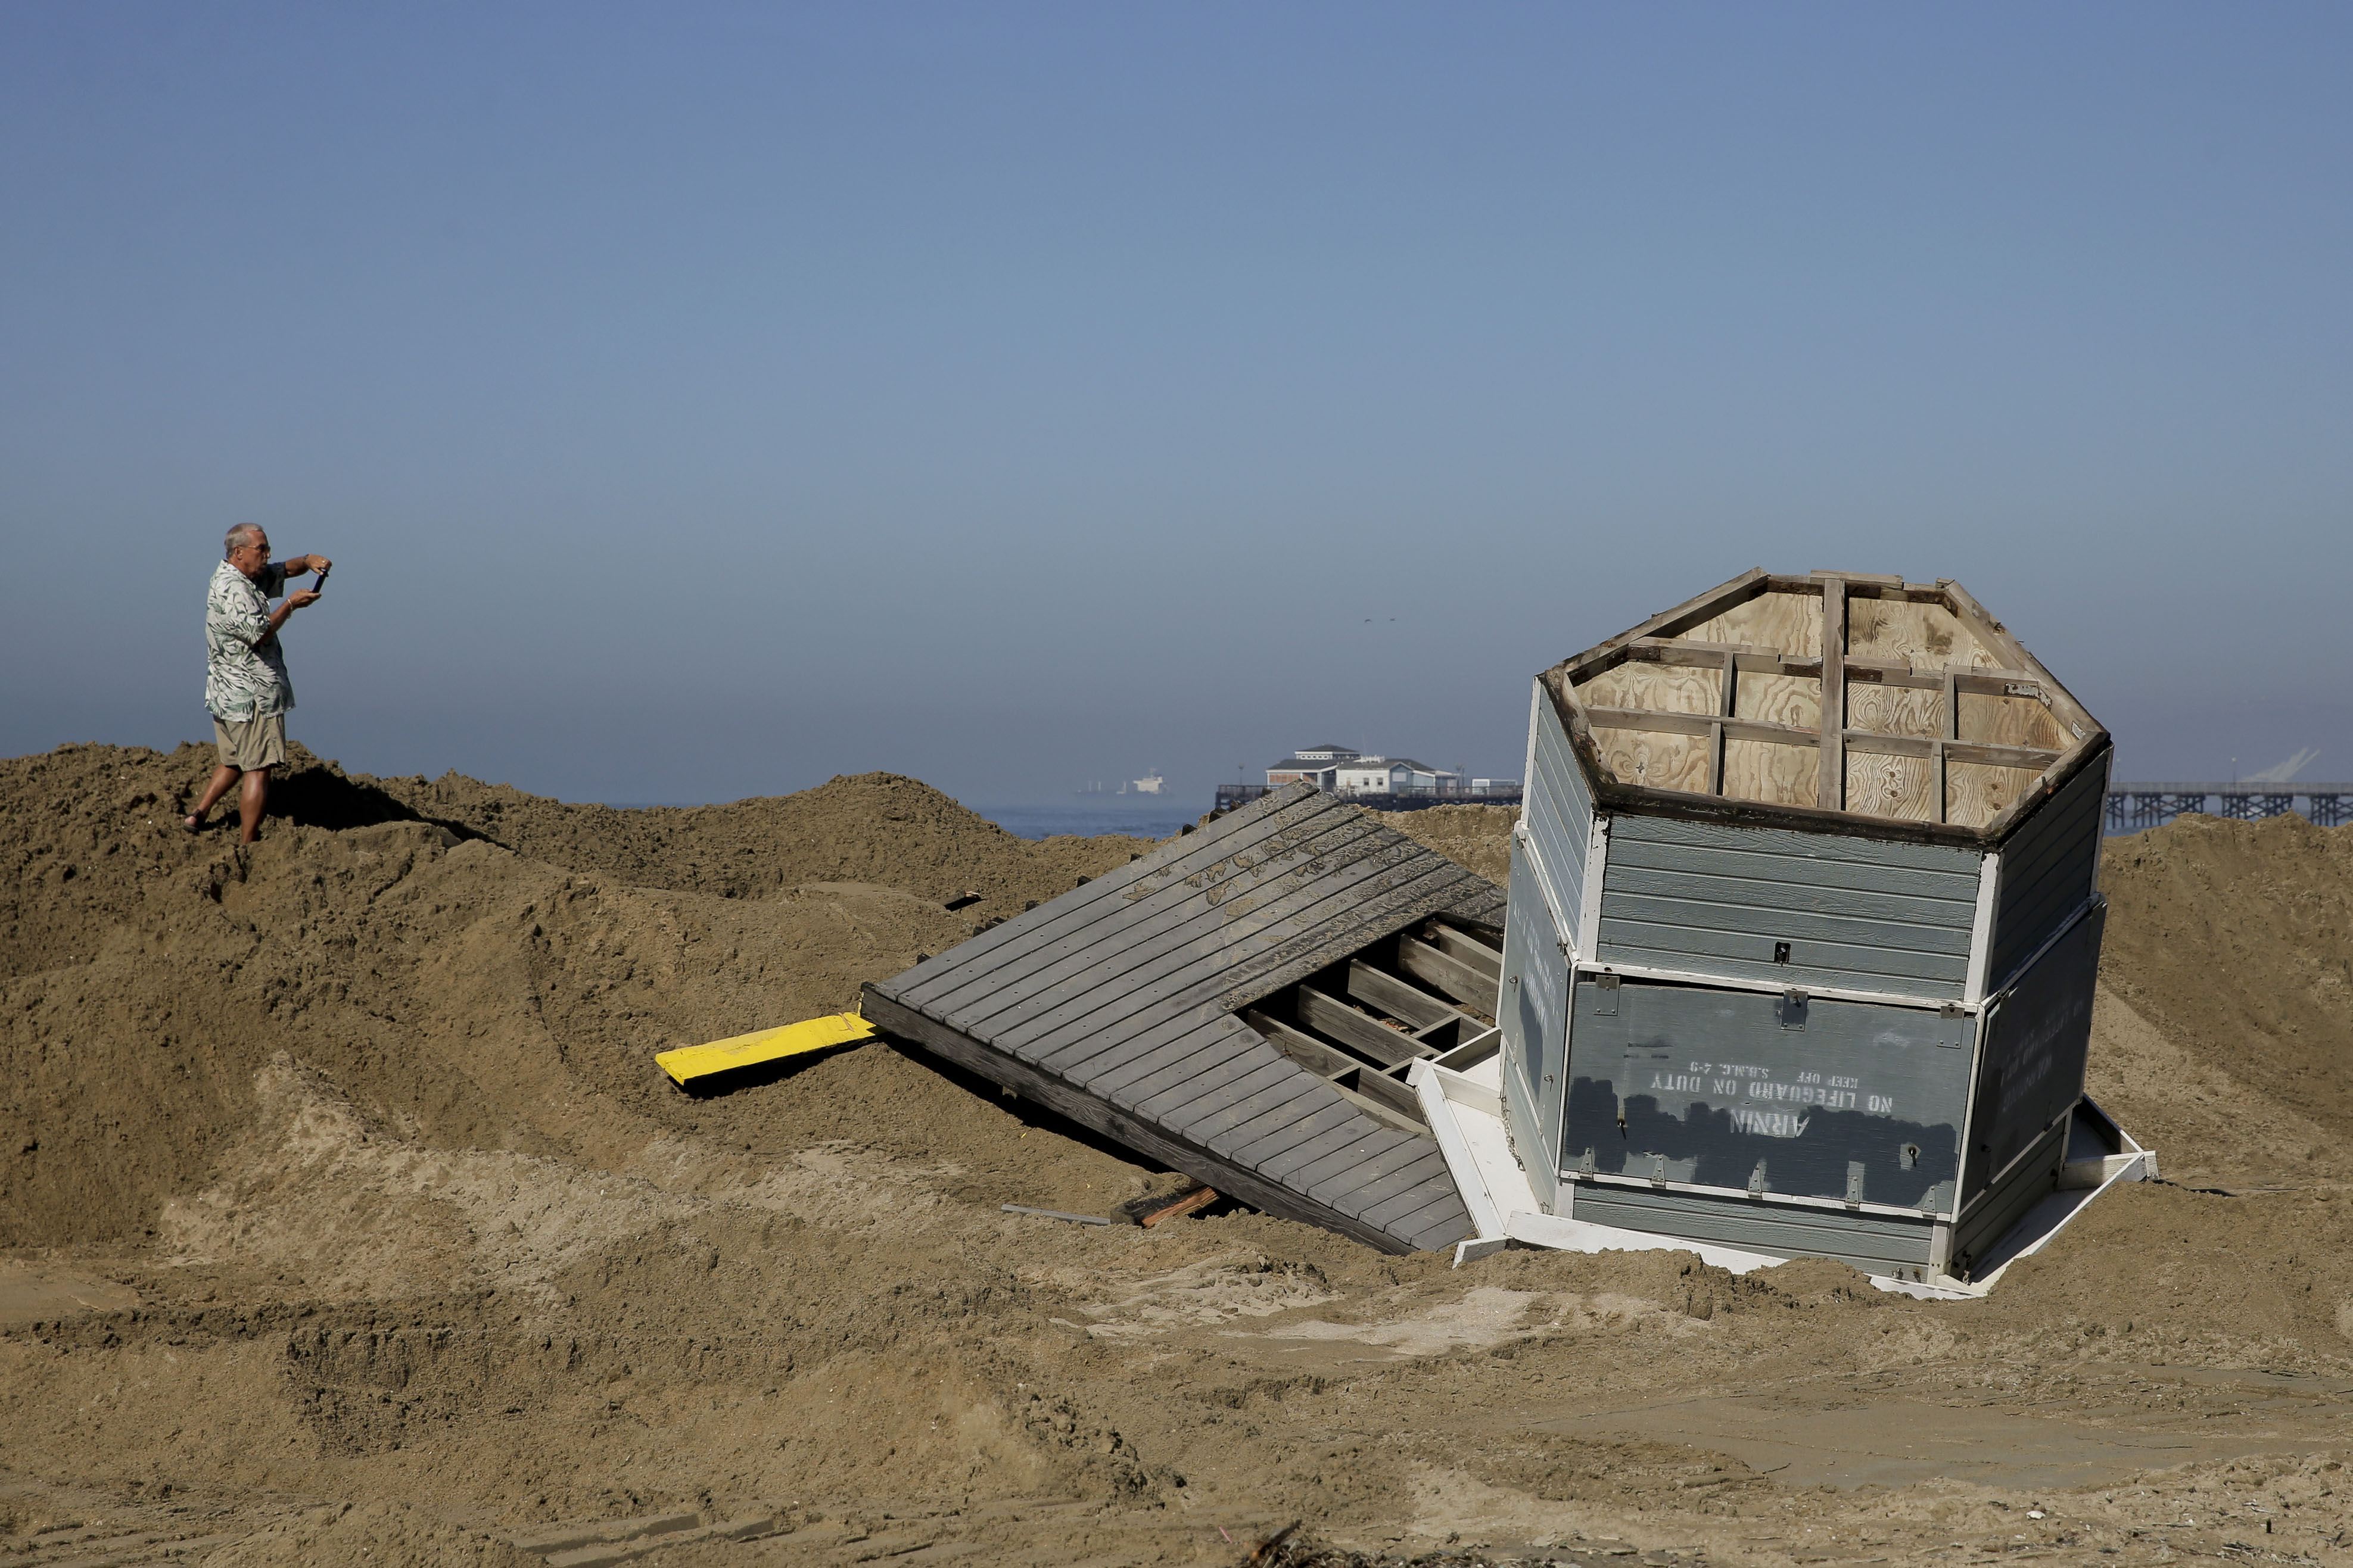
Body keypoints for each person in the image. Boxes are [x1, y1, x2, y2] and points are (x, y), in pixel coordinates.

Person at [183, 524, 331, 843]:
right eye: (261, 549)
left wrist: (307, 561)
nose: (268, 555)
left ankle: (199, 814)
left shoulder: (240, 577)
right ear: (239, 553)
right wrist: (290, 606)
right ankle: (248, 843)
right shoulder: (234, 589)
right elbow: (259, 633)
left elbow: (279, 571)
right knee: (259, 769)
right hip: (252, 696)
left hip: (227, 693)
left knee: (234, 759)